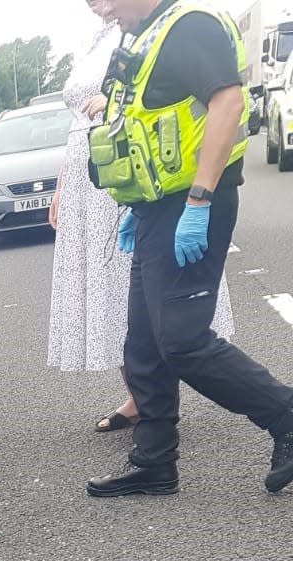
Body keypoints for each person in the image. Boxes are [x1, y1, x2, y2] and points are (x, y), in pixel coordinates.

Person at [86, 0, 293, 496]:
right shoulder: (147, 35)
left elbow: (227, 102)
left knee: (181, 339)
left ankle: (286, 415)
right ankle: (155, 460)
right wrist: (140, 207)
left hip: (195, 203)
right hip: (159, 208)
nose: (97, 8)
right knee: (144, 340)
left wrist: (199, 200)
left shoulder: (190, 26)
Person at [49, 0, 232, 431]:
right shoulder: (96, 37)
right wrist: (63, 182)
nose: (96, 7)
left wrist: (199, 197)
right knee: (119, 298)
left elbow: (180, 101)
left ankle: (155, 414)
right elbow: (77, 122)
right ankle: (144, 409)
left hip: (135, 170)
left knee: (149, 298)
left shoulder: (159, 28)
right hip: (91, 171)